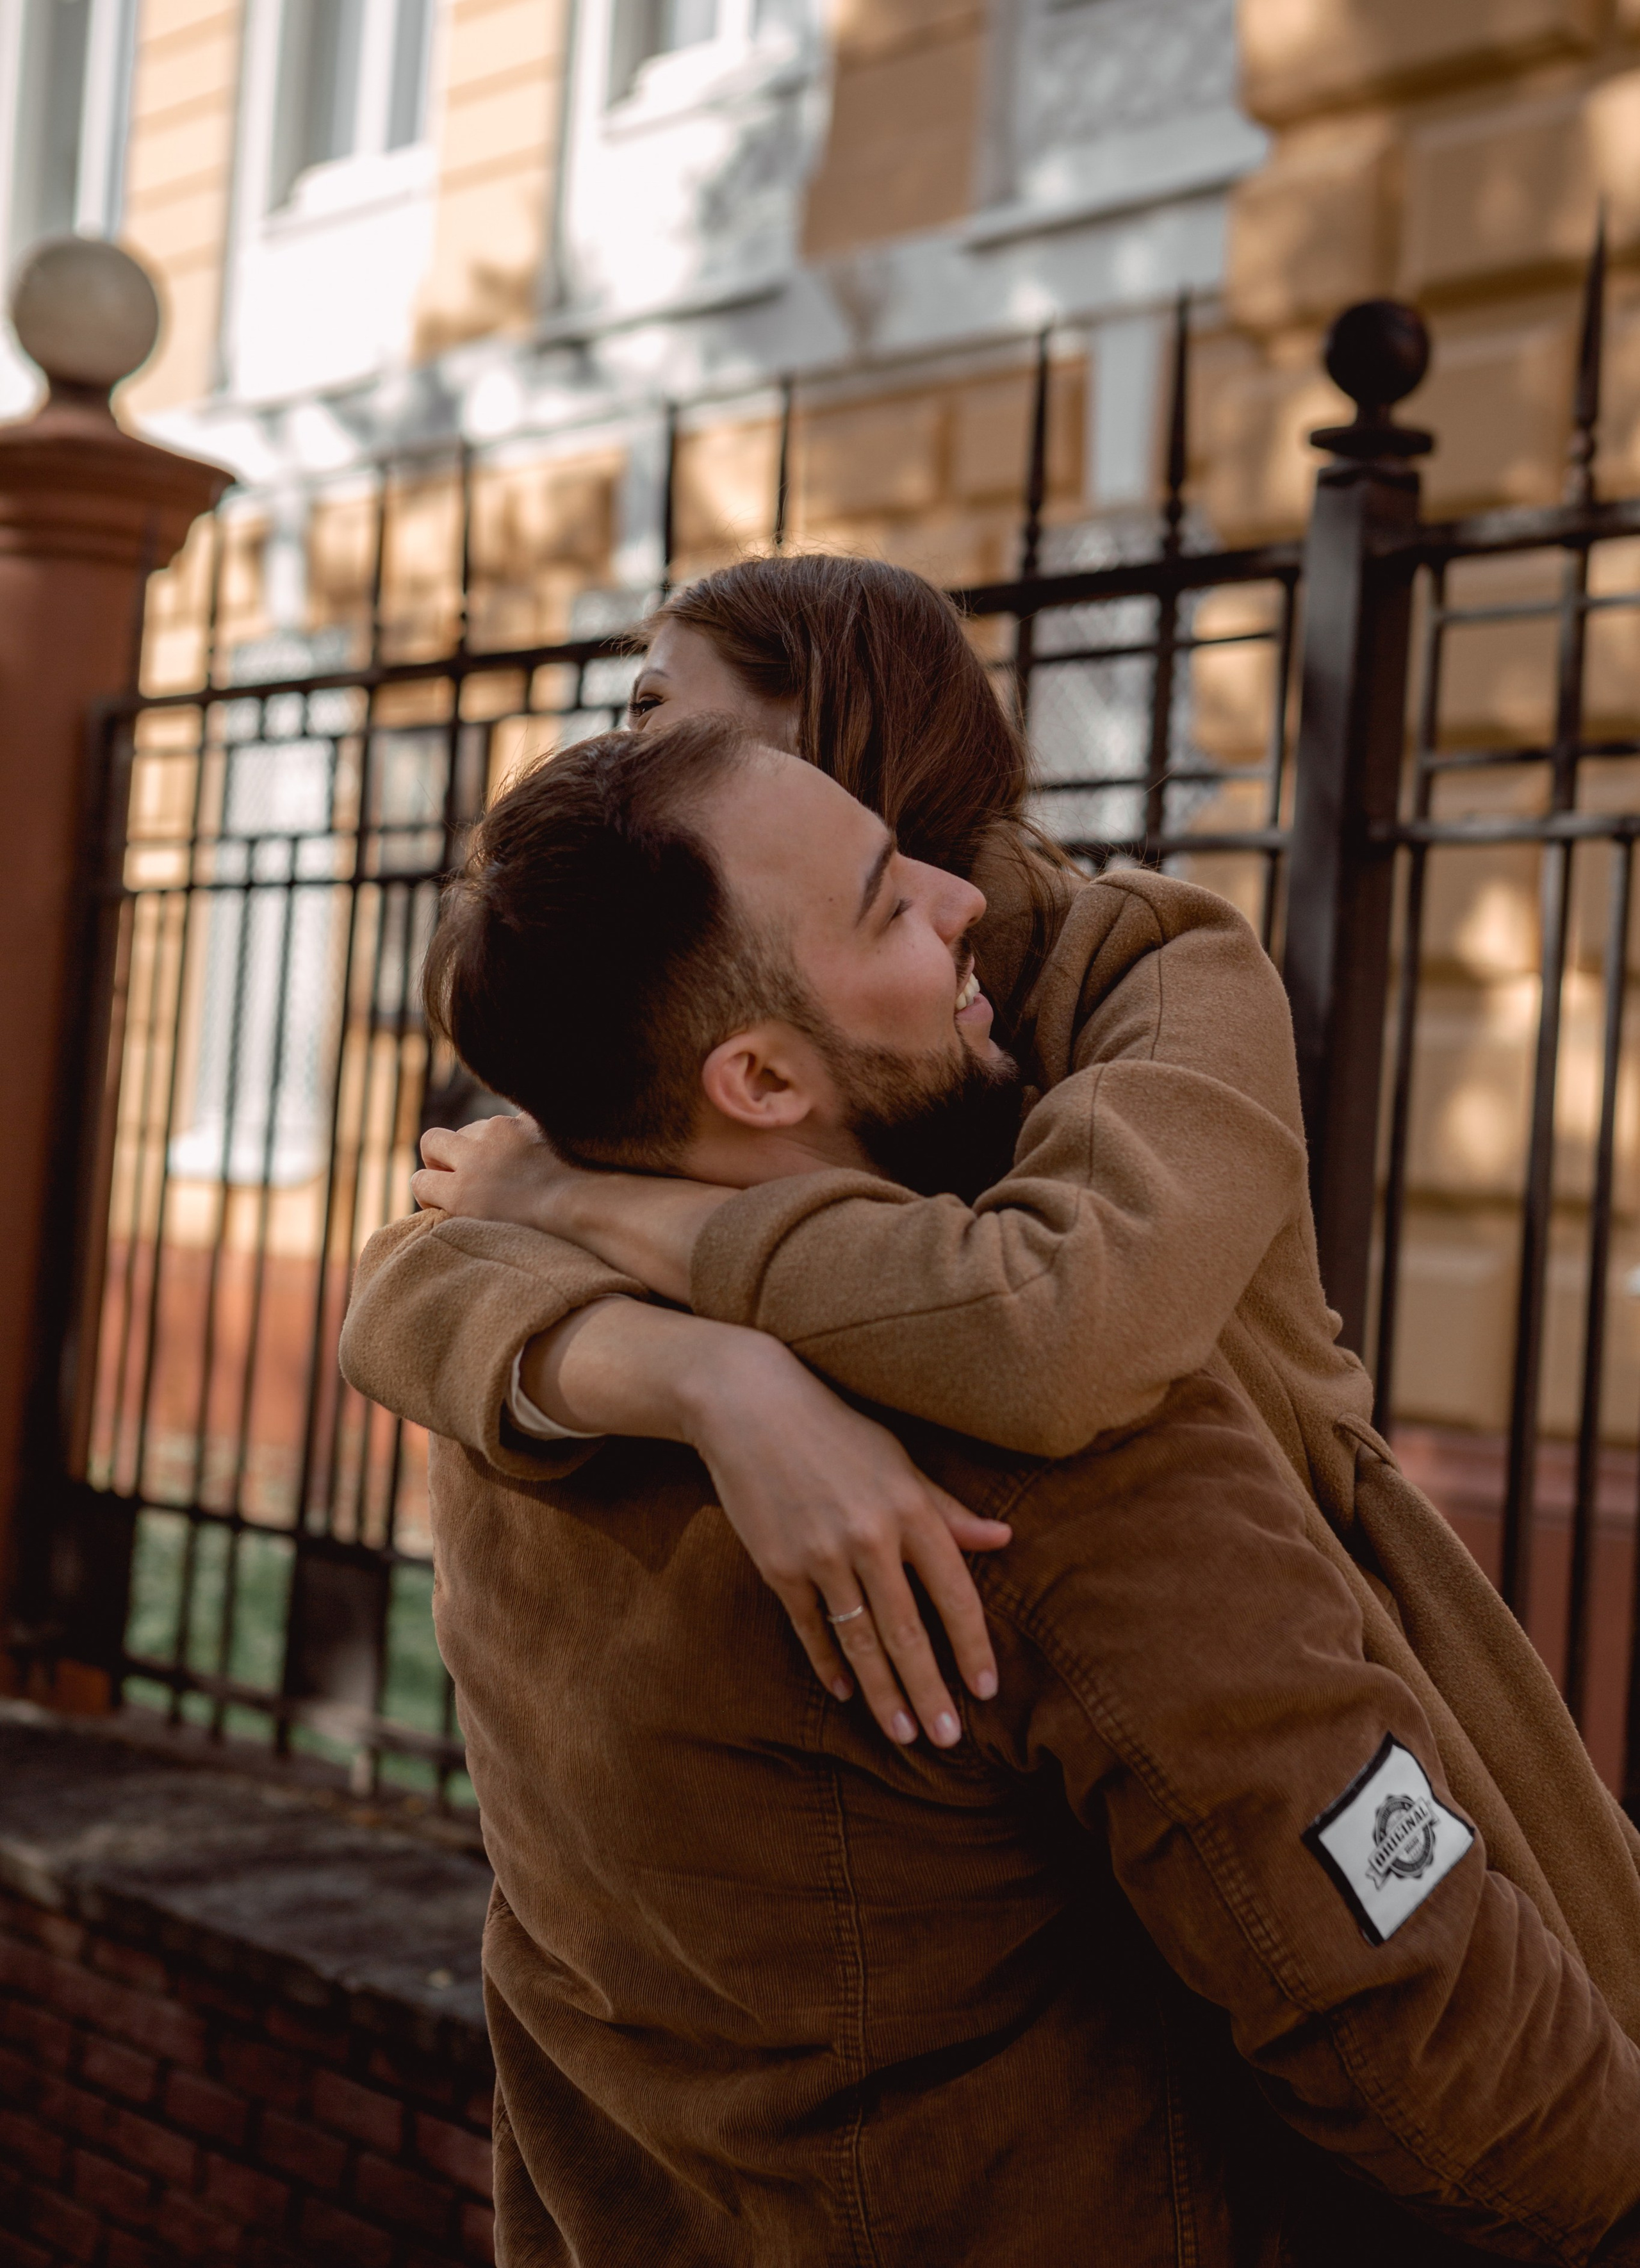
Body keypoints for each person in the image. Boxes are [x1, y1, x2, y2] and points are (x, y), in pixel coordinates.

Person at [340, 716, 1640, 2265]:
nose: (960, 903)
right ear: (755, 1074)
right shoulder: (1059, 1446)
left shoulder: (517, 1390)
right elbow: (1449, 2053)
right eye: (888, 899)